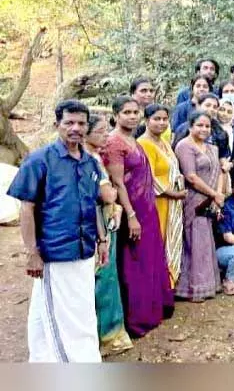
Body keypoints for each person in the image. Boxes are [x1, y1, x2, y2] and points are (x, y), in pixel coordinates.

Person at [8, 100, 116, 362]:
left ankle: (46, 364)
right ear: (57, 125)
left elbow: (93, 203)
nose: (75, 128)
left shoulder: (90, 162)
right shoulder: (39, 160)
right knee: (65, 319)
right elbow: (26, 208)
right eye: (69, 122)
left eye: (81, 123)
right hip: (54, 253)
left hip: (84, 249)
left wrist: (102, 239)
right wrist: (32, 253)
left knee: (77, 312)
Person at [102, 97, 174, 336]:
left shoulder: (133, 138)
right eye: (126, 112)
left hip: (147, 207)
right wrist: (131, 216)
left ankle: (153, 310)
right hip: (131, 210)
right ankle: (137, 318)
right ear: (116, 115)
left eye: (135, 112)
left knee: (150, 257)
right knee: (135, 262)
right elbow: (118, 183)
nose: (132, 116)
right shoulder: (113, 142)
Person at [84, 113, 134, 356]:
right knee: (103, 276)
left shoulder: (94, 157)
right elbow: (107, 196)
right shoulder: (89, 159)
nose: (106, 135)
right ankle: (105, 335)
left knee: (106, 275)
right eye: (101, 131)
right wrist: (112, 191)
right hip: (98, 221)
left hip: (104, 219)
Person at [174, 111, 223, 303]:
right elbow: (191, 177)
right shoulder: (184, 146)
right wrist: (213, 194)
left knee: (205, 241)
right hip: (194, 200)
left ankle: (208, 285)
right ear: (190, 126)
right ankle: (191, 288)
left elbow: (218, 171)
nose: (204, 129)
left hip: (210, 200)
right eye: (200, 125)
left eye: (207, 126)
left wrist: (217, 195)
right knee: (193, 241)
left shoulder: (212, 147)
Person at [137, 105, 185, 289]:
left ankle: (168, 285)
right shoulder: (144, 144)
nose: (161, 123)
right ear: (146, 120)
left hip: (172, 201)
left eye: (165, 119)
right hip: (157, 201)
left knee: (170, 241)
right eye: (157, 119)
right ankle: (158, 288)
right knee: (159, 242)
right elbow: (148, 176)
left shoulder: (163, 142)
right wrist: (173, 193)